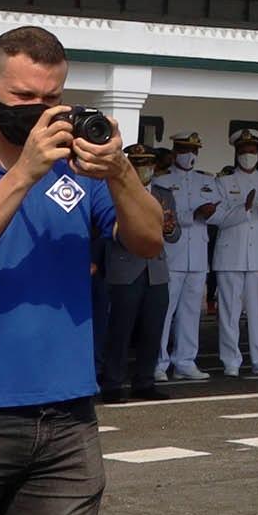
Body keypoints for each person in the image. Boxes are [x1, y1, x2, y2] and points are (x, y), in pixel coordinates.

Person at [0, 26, 165, 515]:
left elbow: (147, 241)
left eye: (51, 98)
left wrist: (119, 171)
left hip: (66, 418)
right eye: (23, 97)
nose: (38, 110)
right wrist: (23, 175)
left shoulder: (77, 172)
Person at [212, 127, 258, 376]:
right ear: (236, 152)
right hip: (229, 254)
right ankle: (231, 361)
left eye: (251, 149)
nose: (247, 153)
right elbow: (218, 218)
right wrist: (243, 208)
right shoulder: (222, 182)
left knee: (257, 312)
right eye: (243, 149)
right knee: (229, 312)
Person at [100, 143, 171, 403]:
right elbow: (107, 228)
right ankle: (112, 383)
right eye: (138, 165)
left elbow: (173, 235)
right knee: (120, 330)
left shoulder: (164, 194)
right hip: (125, 267)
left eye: (148, 165)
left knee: (153, 330)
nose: (144, 170)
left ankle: (145, 381)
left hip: (156, 271)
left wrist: (169, 227)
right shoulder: (116, 192)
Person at [150, 130, 223, 381]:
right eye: (183, 150)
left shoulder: (208, 181)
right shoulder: (161, 181)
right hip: (172, 254)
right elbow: (162, 214)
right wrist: (193, 214)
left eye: (193, 151)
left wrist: (210, 213)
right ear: (174, 153)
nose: (188, 155)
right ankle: (158, 362)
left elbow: (221, 214)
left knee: (191, 312)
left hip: (198, 255)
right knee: (164, 311)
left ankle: (185, 361)